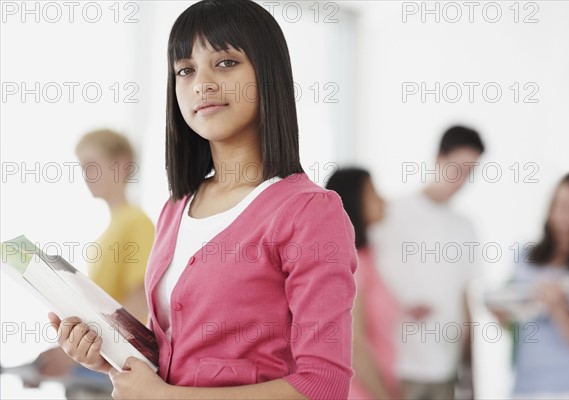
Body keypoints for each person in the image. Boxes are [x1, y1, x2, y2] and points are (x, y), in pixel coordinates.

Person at [48, 1, 358, 399]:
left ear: (268, 74)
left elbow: (323, 385)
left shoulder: (310, 212)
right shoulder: (176, 208)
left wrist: (166, 398)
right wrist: (108, 355)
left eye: (226, 62)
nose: (202, 84)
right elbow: (177, 354)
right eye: (185, 70)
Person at [30, 129, 155, 399]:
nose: (86, 176)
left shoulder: (137, 223)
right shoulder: (107, 233)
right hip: (96, 361)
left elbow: (140, 300)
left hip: (116, 369)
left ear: (121, 164)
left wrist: (74, 356)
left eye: (92, 166)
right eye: (82, 167)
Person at [370, 126, 485, 400]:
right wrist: (399, 307)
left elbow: (465, 299)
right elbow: (364, 279)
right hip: (399, 365)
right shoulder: (391, 213)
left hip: (446, 369)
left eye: (470, 171)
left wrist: (471, 374)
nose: (461, 179)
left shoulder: (465, 227)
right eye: (457, 168)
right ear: (438, 160)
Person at [503, 171, 569, 399]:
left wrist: (557, 305)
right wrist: (502, 313)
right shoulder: (525, 256)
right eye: (557, 203)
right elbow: (512, 324)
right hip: (526, 386)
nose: (561, 214)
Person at [326, 168, 403, 399]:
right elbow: (354, 347)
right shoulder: (352, 265)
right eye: (373, 192)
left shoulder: (368, 257)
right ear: (353, 200)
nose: (382, 200)